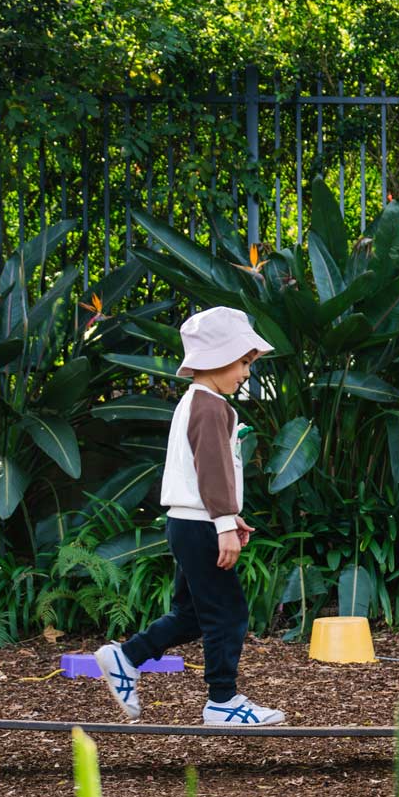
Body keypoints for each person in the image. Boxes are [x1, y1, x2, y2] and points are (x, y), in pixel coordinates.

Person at [96, 306, 287, 726]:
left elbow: (203, 472)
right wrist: (223, 523)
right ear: (218, 357)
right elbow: (212, 468)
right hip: (201, 524)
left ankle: (126, 656)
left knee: (193, 614)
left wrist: (228, 517)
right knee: (228, 612)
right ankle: (222, 700)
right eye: (243, 362)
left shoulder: (197, 402)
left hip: (190, 522)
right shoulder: (209, 405)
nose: (246, 373)